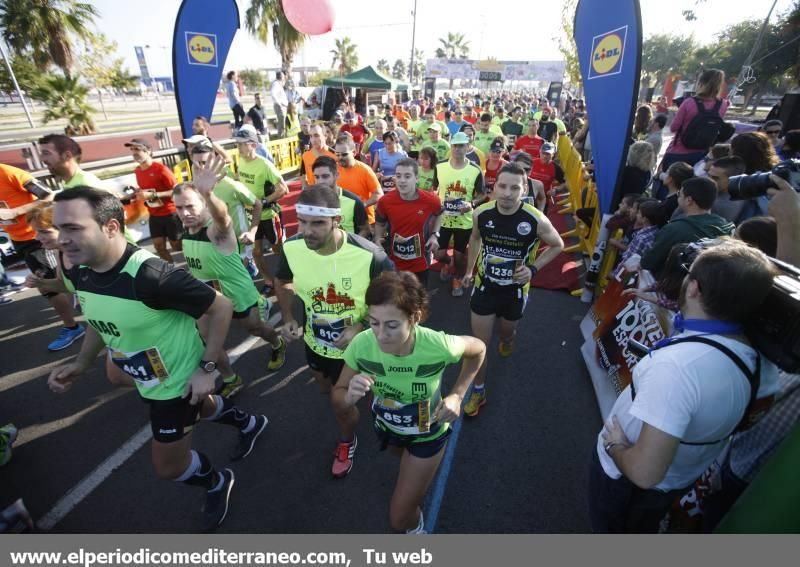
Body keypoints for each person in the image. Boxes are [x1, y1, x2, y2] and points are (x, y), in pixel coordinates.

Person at [48, 187, 269, 531]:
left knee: (168, 467)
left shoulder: (153, 275)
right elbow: (94, 317)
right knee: (204, 407)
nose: (62, 239)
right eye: (59, 228)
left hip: (176, 384)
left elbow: (221, 306)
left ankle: (216, 481)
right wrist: (81, 363)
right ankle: (249, 424)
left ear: (110, 228)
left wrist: (207, 367)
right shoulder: (80, 270)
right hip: (147, 376)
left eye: (73, 228)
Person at [589, 239, 779, 533]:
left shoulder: (677, 368)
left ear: (694, 288)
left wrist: (614, 446)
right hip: (678, 478)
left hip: (626, 483)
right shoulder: (760, 362)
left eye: (688, 274)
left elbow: (644, 473)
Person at [334, 271, 485, 532]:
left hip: (428, 433)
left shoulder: (439, 345)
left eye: (391, 325)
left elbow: (478, 349)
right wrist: (348, 397)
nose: (380, 335)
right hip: (388, 428)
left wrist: (458, 395)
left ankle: (417, 532)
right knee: (403, 463)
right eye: (373, 322)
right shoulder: (361, 345)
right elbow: (338, 395)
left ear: (414, 318)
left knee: (399, 518)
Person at [274, 185, 395, 477]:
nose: (307, 230)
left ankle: (346, 441)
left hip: (359, 347)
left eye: (317, 223)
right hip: (316, 344)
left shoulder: (370, 256)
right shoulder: (292, 247)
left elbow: (394, 298)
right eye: (302, 221)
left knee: (340, 404)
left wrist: (361, 325)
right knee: (325, 390)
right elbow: (281, 280)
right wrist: (289, 316)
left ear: (336, 221)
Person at [173, 156, 286, 397]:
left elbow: (223, 217)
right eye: (180, 208)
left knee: (255, 328)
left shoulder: (216, 231)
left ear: (203, 205)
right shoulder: (187, 231)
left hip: (237, 292)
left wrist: (209, 194)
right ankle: (230, 378)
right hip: (208, 295)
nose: (185, 213)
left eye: (191, 206)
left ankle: (277, 343)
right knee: (206, 338)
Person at [460, 163, 564, 416]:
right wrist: (469, 271)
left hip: (515, 291)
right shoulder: (481, 213)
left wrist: (533, 269)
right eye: (502, 186)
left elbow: (557, 245)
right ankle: (479, 389)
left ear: (524, 189)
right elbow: (475, 239)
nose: (507, 193)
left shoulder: (535, 219)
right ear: (494, 187)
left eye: (514, 188)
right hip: (485, 287)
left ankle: (508, 338)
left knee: (506, 333)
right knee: (480, 344)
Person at [0, 163, 85, 351]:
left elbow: (49, 195)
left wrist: (14, 212)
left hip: (38, 236)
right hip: (18, 238)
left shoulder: (9, 173)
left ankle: (72, 326)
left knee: (53, 285)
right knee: (54, 282)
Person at [190, 139, 261, 278]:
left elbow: (257, 204)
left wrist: (252, 233)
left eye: (205, 162)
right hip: (214, 245)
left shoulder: (231, 186)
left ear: (213, 161)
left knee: (242, 286)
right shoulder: (195, 188)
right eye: (197, 163)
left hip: (238, 247)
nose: (201, 168)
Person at [233, 128, 289, 294]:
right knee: (256, 252)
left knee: (278, 249)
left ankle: (289, 276)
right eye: (237, 144)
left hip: (269, 215)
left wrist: (263, 201)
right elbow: (239, 179)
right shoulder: (240, 161)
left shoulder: (265, 165)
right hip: (251, 216)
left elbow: (283, 189)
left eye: (242, 144)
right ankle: (268, 281)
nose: (238, 147)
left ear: (253, 145)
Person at [641, 177, 735, 276]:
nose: (678, 198)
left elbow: (648, 263)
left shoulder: (674, 229)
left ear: (689, 200)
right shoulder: (726, 226)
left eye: (679, 195)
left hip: (668, 284)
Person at [374, 158, 443, 286]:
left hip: (421, 262)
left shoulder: (431, 200)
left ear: (416, 178)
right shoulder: (385, 201)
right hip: (394, 261)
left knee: (419, 300)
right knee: (397, 300)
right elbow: (379, 223)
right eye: (398, 176)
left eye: (407, 176)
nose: (402, 181)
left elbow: (440, 214)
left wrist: (435, 235)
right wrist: (377, 238)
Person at [434, 131, 486, 297]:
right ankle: (447, 263)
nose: (457, 149)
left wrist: (470, 204)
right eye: (455, 145)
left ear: (467, 146)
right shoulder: (439, 166)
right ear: (451, 146)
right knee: (438, 254)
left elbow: (482, 194)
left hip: (464, 220)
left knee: (459, 256)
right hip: (443, 219)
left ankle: (457, 277)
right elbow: (435, 189)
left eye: (461, 145)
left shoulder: (475, 169)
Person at [126, 138, 183, 263]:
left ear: (148, 151)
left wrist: (154, 195)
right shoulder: (137, 171)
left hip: (170, 213)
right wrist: (135, 194)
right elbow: (145, 191)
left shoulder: (161, 169)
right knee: (159, 246)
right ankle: (172, 272)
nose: (134, 153)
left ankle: (197, 256)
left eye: (137, 149)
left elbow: (177, 191)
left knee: (177, 246)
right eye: (132, 150)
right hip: (154, 214)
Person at [661, 69, 729, 170]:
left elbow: (674, 128)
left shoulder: (689, 102)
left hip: (677, 152)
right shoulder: (723, 104)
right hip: (701, 153)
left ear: (701, 83)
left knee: (667, 182)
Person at [311, 156, 370, 237]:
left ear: (336, 175)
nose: (320, 181)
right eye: (317, 177)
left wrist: (349, 245)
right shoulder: (310, 202)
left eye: (325, 176)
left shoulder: (354, 201)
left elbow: (365, 230)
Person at [334, 132, 383, 227]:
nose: (340, 158)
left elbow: (379, 194)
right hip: (341, 221)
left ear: (354, 152)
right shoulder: (333, 170)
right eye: (337, 154)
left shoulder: (365, 170)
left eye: (344, 154)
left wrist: (361, 205)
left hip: (364, 222)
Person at [707, 156, 766, 224]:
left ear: (732, 179)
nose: (709, 180)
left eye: (715, 178)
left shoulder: (721, 204)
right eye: (709, 176)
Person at [619, 199, 665, 264]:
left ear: (644, 219)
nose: (637, 215)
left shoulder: (641, 238)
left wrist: (615, 273)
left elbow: (627, 261)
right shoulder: (657, 232)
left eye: (639, 213)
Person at [271, 71, 289, 138]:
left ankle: (283, 138)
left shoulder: (279, 84)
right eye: (283, 76)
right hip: (280, 107)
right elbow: (273, 94)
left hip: (282, 106)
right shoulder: (276, 84)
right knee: (281, 125)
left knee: (283, 125)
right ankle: (281, 139)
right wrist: (280, 104)